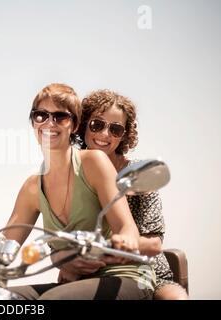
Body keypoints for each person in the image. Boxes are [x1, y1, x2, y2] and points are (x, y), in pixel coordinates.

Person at [4, 83, 155, 300]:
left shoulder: (94, 162)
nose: (49, 123)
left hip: (125, 276)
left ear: (74, 125)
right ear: (33, 122)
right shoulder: (31, 188)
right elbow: (3, 246)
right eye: (41, 115)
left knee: (52, 301)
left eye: (60, 117)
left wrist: (124, 242)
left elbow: (126, 227)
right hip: (77, 284)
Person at [75, 89, 188, 300]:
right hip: (88, 275)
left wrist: (101, 251)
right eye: (97, 124)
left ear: (124, 135)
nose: (105, 134)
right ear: (83, 126)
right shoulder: (72, 174)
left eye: (115, 129)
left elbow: (153, 244)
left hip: (148, 272)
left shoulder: (139, 173)